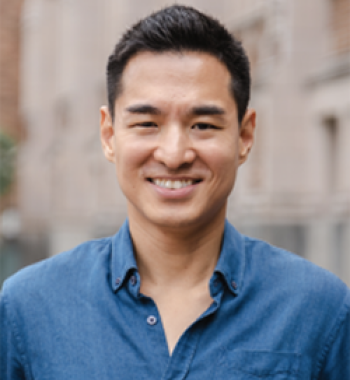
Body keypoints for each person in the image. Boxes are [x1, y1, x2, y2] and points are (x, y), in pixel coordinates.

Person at [1, 5, 349, 379]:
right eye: (147, 123)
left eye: (202, 125)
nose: (173, 155)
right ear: (109, 135)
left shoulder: (319, 309)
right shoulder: (27, 307)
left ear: (245, 136)